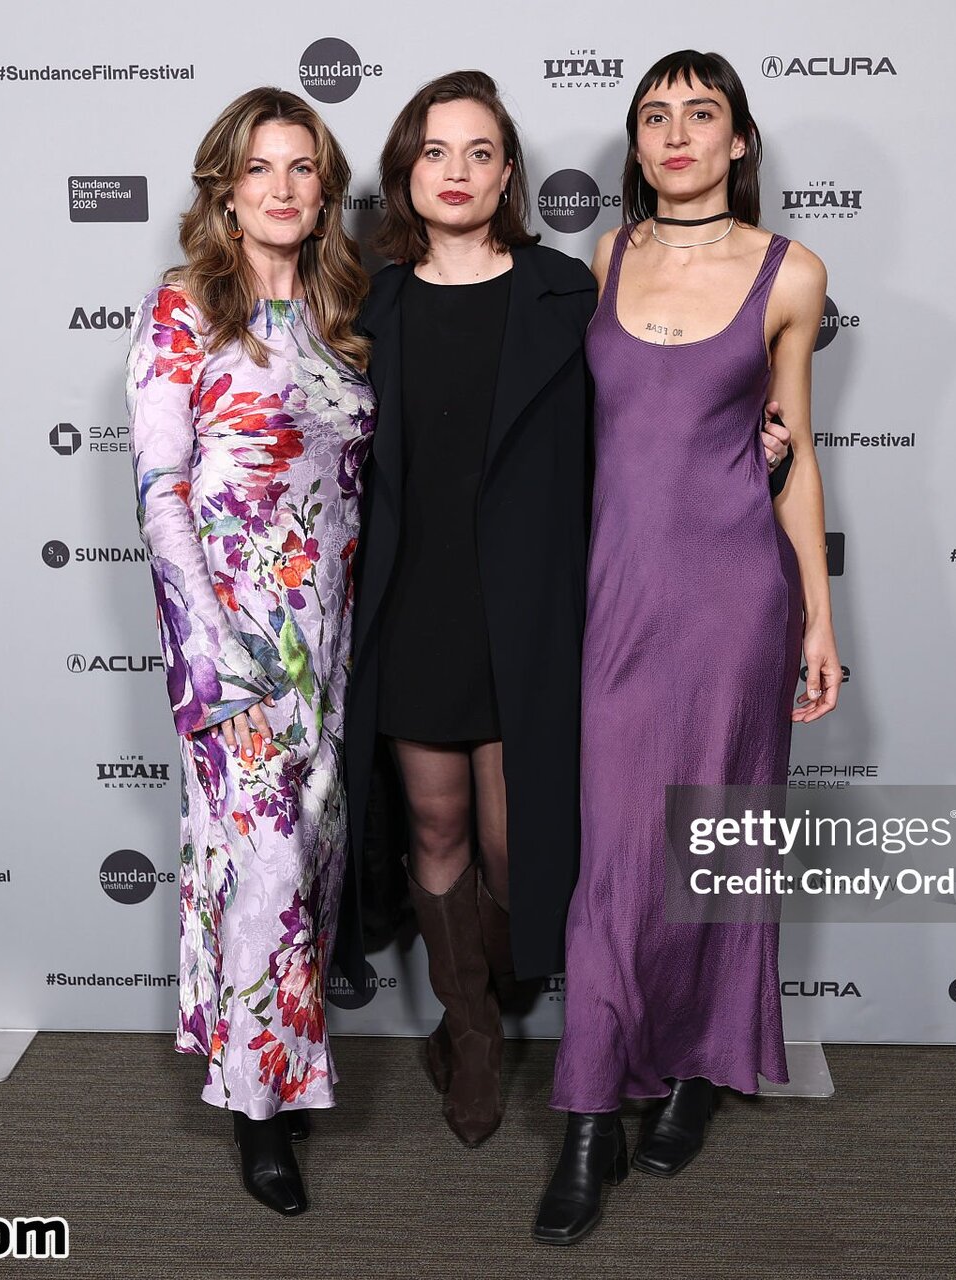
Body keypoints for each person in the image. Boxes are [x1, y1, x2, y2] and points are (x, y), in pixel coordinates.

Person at [532, 50, 842, 1246]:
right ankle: (595, 1106)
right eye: (654, 116)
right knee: (617, 857)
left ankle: (693, 1071)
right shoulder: (603, 259)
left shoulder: (791, 271)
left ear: (738, 140)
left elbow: (796, 449)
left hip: (734, 596)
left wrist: (819, 616)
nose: (676, 134)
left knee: (711, 847)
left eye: (699, 114)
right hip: (617, 595)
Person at [125, 86, 374, 1217]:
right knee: (262, 866)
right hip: (231, 640)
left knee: (308, 862)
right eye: (259, 168)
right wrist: (215, 656)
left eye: (302, 168)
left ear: (325, 191)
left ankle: (272, 1058)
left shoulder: (340, 310)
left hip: (330, 633)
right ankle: (258, 1114)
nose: (281, 187)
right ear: (225, 190)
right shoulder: (184, 308)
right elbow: (161, 491)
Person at [345, 69, 596, 1148]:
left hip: (527, 609)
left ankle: (482, 994)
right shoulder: (371, 304)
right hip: (415, 605)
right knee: (436, 826)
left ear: (507, 175)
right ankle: (474, 1035)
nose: (456, 171)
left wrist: (749, 452)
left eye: (479, 152)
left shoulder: (564, 293)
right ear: (406, 171)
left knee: (511, 843)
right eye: (434, 151)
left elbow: (638, 429)